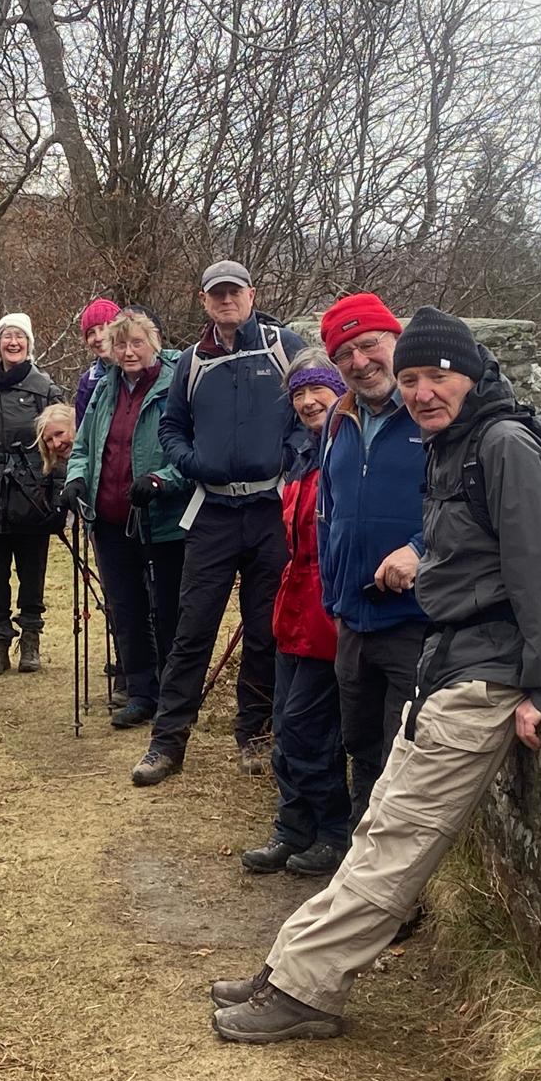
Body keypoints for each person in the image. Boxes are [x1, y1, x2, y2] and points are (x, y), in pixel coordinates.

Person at [208, 305, 541, 1044]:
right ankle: (288, 965)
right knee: (378, 821)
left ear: (470, 373)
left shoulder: (503, 446)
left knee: (396, 839)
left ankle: (305, 989)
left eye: (435, 374)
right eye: (410, 378)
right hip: (448, 665)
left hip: (485, 675)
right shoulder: (458, 441)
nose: (422, 390)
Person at [130, 259, 305, 786]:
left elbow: (312, 407)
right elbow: (172, 425)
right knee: (192, 628)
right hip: (212, 511)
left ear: (251, 294)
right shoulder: (192, 360)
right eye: (216, 293)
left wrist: (291, 459)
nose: (226, 300)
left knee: (265, 629)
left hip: (271, 510)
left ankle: (254, 734)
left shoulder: (284, 347)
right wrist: (190, 463)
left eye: (234, 291)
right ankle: (167, 743)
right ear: (204, 300)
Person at [314, 293, 430, 829]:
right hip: (354, 622)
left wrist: (420, 550)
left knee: (400, 759)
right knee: (360, 749)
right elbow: (327, 512)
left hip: (415, 622)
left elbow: (475, 509)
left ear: (396, 340)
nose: (359, 362)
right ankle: (357, 870)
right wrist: (333, 599)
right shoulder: (339, 422)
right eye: (344, 354)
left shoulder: (434, 418)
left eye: (368, 345)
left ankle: (396, 900)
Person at [239, 350, 353, 877]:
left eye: (318, 389)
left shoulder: (347, 451)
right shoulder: (305, 453)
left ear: (341, 390)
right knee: (286, 729)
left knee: (309, 730)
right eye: (299, 393)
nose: (308, 401)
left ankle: (333, 832)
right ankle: (292, 827)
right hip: (294, 613)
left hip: (327, 619)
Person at [61, 311, 189, 730]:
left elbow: (193, 451)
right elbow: (83, 446)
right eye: (120, 344)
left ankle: (174, 697)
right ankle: (140, 692)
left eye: (136, 342)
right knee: (126, 608)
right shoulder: (104, 388)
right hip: (110, 519)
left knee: (168, 609)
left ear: (153, 342)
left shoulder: (178, 382)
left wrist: (161, 479)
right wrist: (77, 480)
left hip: (163, 519)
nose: (128, 351)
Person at [0, 313, 65, 677]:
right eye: (7, 336)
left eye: (20, 336)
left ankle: (31, 640)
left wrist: (58, 492)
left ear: (29, 343)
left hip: (33, 489)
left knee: (32, 567)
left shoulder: (45, 388)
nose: (13, 342)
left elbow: (62, 444)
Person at [74, 297, 121, 423]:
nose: (98, 338)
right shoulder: (87, 382)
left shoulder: (138, 370)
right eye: (91, 333)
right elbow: (81, 433)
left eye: (103, 328)